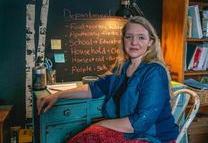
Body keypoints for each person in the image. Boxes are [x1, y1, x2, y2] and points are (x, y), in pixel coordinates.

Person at [37, 16, 179, 143]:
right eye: (129, 37)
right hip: (130, 132)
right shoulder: (122, 67)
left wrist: (101, 124)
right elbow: (94, 89)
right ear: (123, 40)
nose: (134, 42)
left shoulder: (154, 71)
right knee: (88, 136)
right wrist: (58, 95)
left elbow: (140, 123)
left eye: (141, 37)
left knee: (89, 136)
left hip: (151, 137)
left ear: (150, 42)